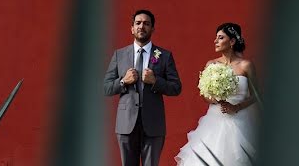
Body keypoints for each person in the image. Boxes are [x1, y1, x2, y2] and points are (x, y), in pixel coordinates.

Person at [104, 9, 182, 166]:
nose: (142, 26)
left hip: (153, 124)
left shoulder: (164, 55)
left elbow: (176, 87)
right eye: (138, 23)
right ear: (132, 28)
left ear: (152, 28)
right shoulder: (119, 55)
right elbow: (106, 87)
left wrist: (156, 81)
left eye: (146, 23)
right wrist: (123, 81)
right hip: (126, 124)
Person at [174, 22, 260, 165]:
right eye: (216, 37)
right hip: (214, 120)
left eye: (220, 38)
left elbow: (256, 94)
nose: (215, 41)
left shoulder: (246, 65)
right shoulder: (211, 65)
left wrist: (236, 107)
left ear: (232, 41)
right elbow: (204, 94)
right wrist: (213, 99)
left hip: (241, 121)